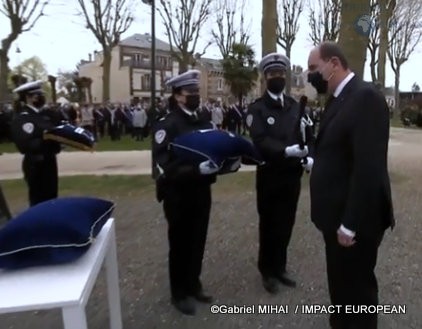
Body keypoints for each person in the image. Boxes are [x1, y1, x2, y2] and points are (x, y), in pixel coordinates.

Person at [307, 41, 395, 329]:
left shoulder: (365, 98)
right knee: (342, 289)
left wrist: (350, 224)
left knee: (356, 295)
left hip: (355, 224)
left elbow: (368, 167)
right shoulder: (339, 97)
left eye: (313, 69)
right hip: (335, 217)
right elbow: (339, 150)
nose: (310, 76)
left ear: (334, 64)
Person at [152, 70, 239, 315]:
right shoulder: (167, 124)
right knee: (180, 242)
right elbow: (162, 166)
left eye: (196, 92)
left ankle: (194, 283)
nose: (195, 96)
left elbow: (213, 150)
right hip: (177, 194)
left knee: (198, 239)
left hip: (201, 192)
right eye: (190, 93)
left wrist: (224, 162)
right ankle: (179, 292)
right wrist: (194, 169)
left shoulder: (203, 121)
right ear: (178, 96)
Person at [246, 53, 314, 294]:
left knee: (286, 222)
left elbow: (306, 133)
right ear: (265, 78)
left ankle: (281, 267)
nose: (278, 77)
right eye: (273, 74)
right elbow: (260, 141)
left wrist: (308, 156)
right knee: (269, 224)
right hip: (270, 176)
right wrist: (286, 151)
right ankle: (267, 270)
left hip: (291, 176)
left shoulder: (295, 106)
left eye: (281, 74)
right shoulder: (258, 109)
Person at [10, 80, 61, 206]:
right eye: (37, 95)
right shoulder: (22, 118)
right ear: (28, 97)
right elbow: (25, 145)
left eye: (41, 95)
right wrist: (47, 139)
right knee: (39, 199)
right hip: (35, 163)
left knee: (52, 197)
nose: (41, 98)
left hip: (50, 160)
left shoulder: (46, 115)